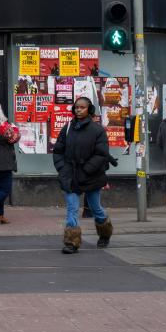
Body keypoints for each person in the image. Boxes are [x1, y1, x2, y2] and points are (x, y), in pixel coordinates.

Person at [53, 96, 113, 254]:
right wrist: (62, 169)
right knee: (72, 208)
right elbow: (58, 151)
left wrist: (87, 169)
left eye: (82, 107)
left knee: (95, 208)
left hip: (91, 175)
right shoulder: (67, 128)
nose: (78, 110)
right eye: (76, 107)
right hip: (70, 175)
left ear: (89, 109)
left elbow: (101, 154)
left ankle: (105, 233)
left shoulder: (97, 130)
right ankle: (71, 242)